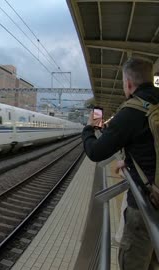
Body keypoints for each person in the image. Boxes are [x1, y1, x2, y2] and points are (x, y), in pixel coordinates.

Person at [82, 58, 159, 270]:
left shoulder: (131, 111)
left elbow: (95, 152)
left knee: (134, 262)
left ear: (127, 83)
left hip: (146, 204)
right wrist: (128, 160)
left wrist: (89, 129)